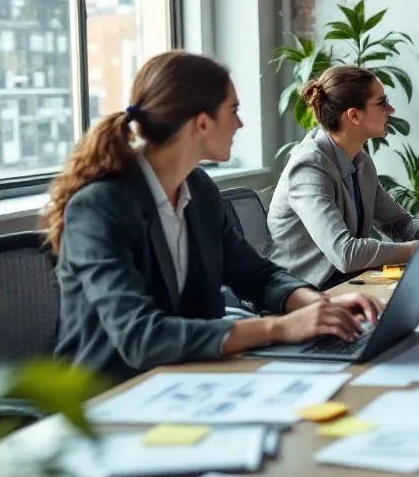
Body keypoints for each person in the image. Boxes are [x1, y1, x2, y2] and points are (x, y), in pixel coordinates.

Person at [45, 51, 381, 382]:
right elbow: (140, 337)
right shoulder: (100, 207)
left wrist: (318, 306)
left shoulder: (198, 189)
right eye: (233, 110)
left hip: (191, 376)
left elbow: (258, 276)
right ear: (202, 123)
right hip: (109, 396)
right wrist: (279, 327)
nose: (240, 123)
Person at [268, 66, 419, 289]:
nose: (391, 109)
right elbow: (345, 253)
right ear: (354, 115)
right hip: (305, 295)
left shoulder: (359, 159)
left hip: (347, 284)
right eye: (381, 103)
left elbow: (397, 222)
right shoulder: (309, 167)